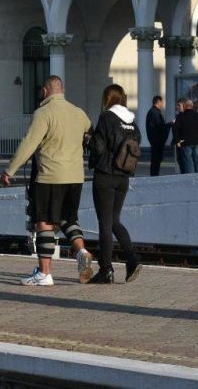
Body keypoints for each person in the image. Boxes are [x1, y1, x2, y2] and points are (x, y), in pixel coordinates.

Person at [0, 76, 95, 285]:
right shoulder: (79, 113)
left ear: (45, 91)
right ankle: (82, 252)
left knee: (43, 221)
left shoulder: (43, 113)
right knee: (68, 219)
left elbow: (29, 143)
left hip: (50, 175)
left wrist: (10, 170)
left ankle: (44, 273)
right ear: (62, 89)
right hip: (75, 177)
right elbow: (91, 135)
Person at [87, 84, 143, 284]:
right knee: (114, 221)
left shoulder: (106, 118)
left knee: (105, 224)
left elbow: (99, 147)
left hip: (106, 176)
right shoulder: (132, 122)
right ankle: (132, 258)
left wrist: (87, 139)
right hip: (123, 177)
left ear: (107, 99)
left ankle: (106, 270)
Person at [173, 98, 198, 174]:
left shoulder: (180, 116)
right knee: (197, 161)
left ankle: (190, 178)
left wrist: (177, 141)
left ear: (184, 106)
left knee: (188, 162)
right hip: (197, 142)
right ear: (192, 106)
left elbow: (175, 129)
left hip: (185, 142)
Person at [145, 95, 172, 177]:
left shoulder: (153, 111)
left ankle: (154, 174)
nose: (162, 104)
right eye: (161, 102)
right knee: (156, 159)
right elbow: (160, 126)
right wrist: (170, 124)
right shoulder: (155, 112)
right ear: (158, 102)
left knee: (155, 159)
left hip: (155, 139)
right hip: (157, 140)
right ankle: (154, 175)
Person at [170, 98, 186, 173]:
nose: (177, 107)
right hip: (178, 142)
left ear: (184, 106)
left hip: (182, 142)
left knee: (183, 161)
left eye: (179, 105)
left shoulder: (184, 116)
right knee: (180, 160)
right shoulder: (178, 115)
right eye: (177, 105)